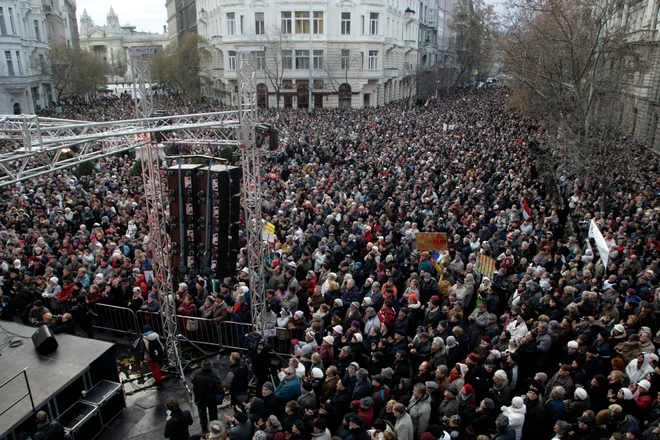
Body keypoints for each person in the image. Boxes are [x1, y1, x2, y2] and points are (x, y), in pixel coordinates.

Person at [192, 359, 219, 433]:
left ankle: (204, 428)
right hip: (210, 397)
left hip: (200, 396)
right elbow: (218, 386)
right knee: (213, 413)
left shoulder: (196, 374)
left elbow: (192, 380)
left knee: (201, 412)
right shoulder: (214, 375)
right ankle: (214, 427)